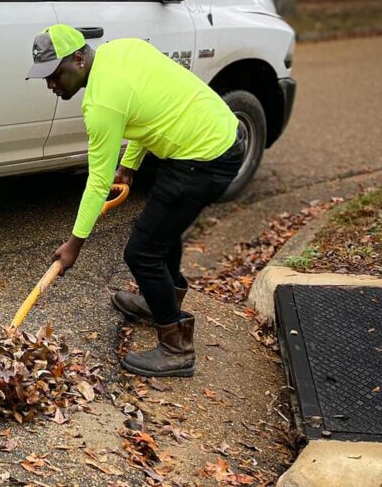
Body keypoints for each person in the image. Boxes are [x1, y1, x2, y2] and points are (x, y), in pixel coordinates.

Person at [26, 25, 244, 377]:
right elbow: (148, 108)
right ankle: (161, 302)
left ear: (79, 59)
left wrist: (73, 246)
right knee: (162, 231)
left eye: (54, 75)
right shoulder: (121, 50)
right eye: (44, 78)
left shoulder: (100, 102)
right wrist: (128, 167)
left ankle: (176, 349)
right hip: (219, 135)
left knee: (142, 252)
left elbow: (96, 181)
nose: (50, 85)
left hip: (204, 157)